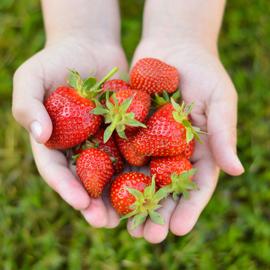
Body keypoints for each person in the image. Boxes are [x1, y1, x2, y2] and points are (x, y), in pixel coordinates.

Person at [12, 0, 244, 244]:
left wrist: (187, 36)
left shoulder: (137, 122)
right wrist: (78, 32)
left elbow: (141, 140)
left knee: (141, 140)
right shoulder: (118, 116)